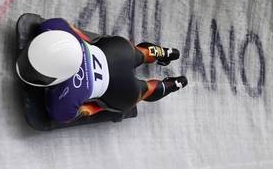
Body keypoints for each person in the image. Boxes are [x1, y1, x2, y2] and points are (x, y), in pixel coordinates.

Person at [16, 17, 187, 123]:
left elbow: (70, 115)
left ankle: (170, 85)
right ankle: (163, 53)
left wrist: (93, 108)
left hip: (121, 91)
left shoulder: (64, 102)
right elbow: (72, 30)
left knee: (143, 91)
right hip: (118, 50)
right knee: (137, 53)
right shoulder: (54, 25)